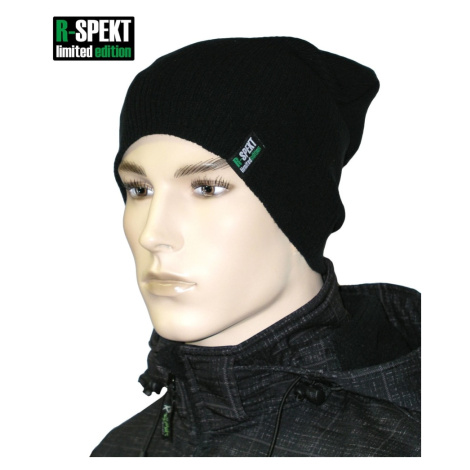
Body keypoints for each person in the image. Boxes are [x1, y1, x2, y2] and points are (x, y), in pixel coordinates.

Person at [91, 37, 421, 457]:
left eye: (207, 188)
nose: (151, 234)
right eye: (139, 189)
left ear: (299, 205)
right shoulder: (122, 449)